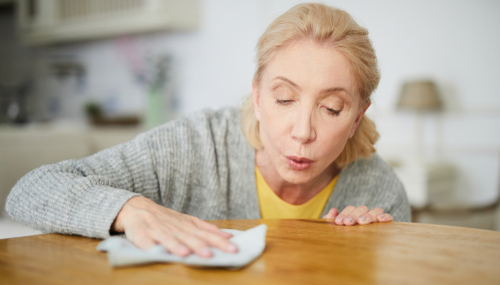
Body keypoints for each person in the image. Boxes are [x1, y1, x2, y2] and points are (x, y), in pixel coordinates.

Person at [6, 3, 410, 259]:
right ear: (255, 95)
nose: (303, 131)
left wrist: (372, 249)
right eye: (284, 99)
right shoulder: (195, 146)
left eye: (331, 108)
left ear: (357, 115)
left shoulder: (377, 189)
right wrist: (132, 209)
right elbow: (31, 190)